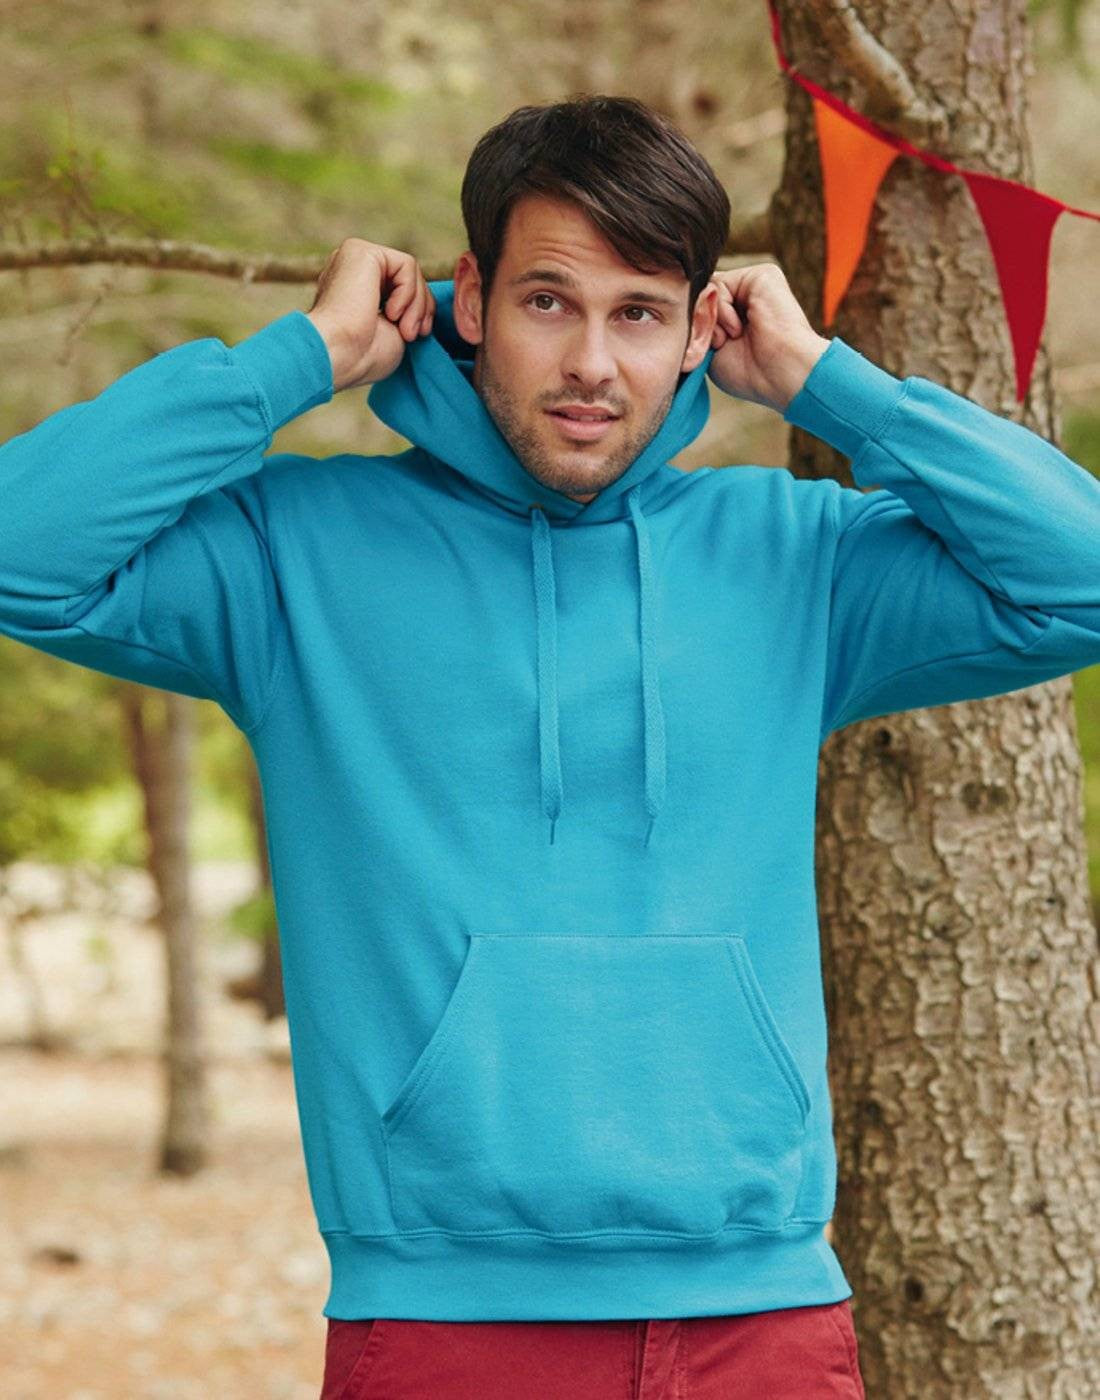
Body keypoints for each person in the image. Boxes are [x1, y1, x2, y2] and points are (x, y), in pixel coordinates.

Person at [2, 93, 1099, 1400]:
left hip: (761, 1316)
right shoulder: (293, 554)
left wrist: (831, 387)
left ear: (699, 330)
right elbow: (23, 551)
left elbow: (1079, 580)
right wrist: (299, 358)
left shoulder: (796, 558)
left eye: (638, 313)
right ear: (470, 302)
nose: (592, 362)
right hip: (445, 1319)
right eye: (547, 302)